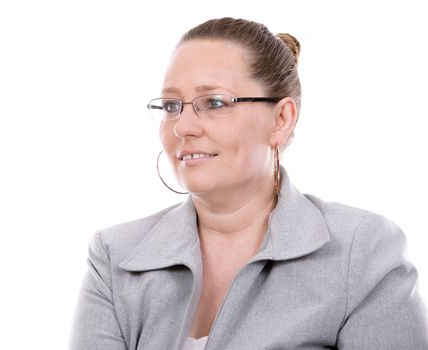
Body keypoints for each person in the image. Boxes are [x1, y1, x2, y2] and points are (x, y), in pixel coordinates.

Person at [68, 17, 428, 349]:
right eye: (171, 105)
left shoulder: (363, 252)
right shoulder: (114, 255)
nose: (183, 126)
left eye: (214, 102)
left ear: (281, 119)